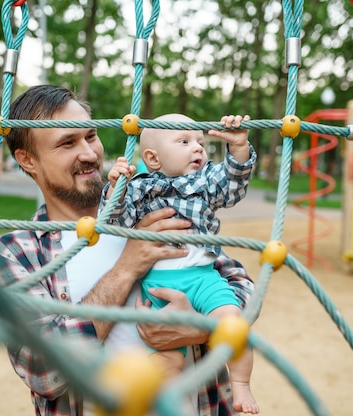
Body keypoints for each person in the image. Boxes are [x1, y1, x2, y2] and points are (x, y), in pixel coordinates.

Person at [0, 85, 255, 416]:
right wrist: (126, 269)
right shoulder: (20, 251)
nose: (89, 153)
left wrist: (200, 328)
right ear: (27, 160)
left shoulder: (150, 209)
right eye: (67, 143)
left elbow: (240, 283)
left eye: (90, 136)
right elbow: (41, 369)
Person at [101, 113, 259, 414]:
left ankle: (241, 385)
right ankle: (179, 407)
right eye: (184, 141)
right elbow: (115, 219)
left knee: (234, 324)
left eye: (200, 142)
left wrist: (239, 149)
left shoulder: (205, 181)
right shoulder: (140, 187)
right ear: (153, 158)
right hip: (158, 288)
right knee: (165, 362)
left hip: (203, 278)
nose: (197, 148)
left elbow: (233, 185)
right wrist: (115, 188)